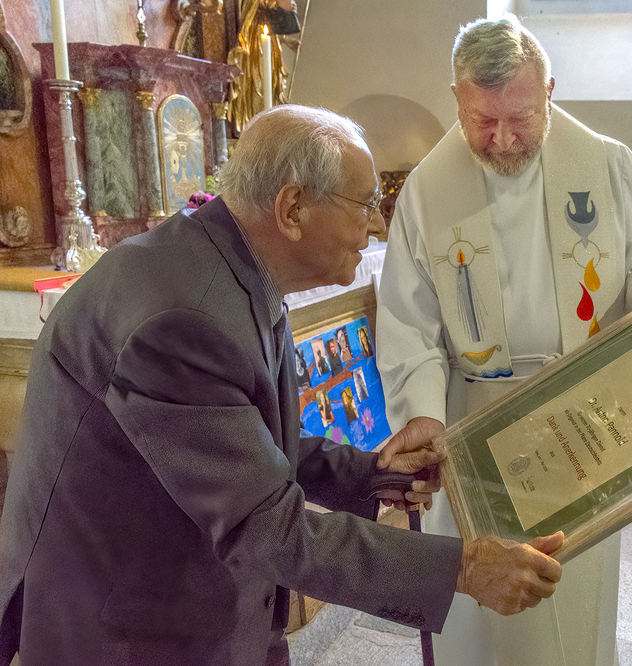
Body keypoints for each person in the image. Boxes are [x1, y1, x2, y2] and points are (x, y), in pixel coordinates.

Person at [0, 105, 565, 666]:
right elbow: (266, 527)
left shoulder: (226, 264)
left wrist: (372, 476)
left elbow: (247, 441)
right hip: (128, 626)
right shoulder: (182, 318)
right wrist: (463, 568)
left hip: (188, 597)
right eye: (365, 203)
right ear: (293, 208)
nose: (375, 225)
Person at [376, 16, 632, 666]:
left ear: (549, 90)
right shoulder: (428, 190)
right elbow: (409, 323)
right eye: (482, 120)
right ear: (457, 98)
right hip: (473, 420)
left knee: (574, 588)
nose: (502, 137)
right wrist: (424, 415)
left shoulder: (608, 165)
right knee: (485, 612)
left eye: (519, 117)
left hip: (583, 410)